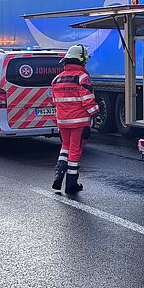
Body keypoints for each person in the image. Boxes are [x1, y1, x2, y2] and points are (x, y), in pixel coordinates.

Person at [51, 45, 99, 194]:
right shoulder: (82, 78)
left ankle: (59, 175)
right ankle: (71, 184)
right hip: (79, 121)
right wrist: (96, 114)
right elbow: (87, 100)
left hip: (62, 121)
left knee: (65, 147)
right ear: (81, 61)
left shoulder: (56, 79)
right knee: (75, 151)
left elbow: (55, 101)